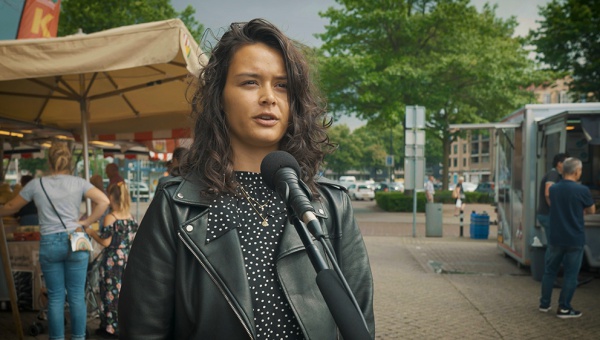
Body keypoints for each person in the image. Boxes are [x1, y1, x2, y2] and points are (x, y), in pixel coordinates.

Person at [119, 19, 375, 339]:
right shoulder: (176, 205)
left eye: (282, 85)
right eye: (250, 82)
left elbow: (359, 322)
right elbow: (143, 330)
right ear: (220, 97)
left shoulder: (331, 205)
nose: (269, 97)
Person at [0, 142, 109, 340]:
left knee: (56, 297)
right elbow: (104, 201)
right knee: (77, 296)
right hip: (76, 240)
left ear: (49, 161)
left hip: (49, 243)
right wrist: (86, 222)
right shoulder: (79, 182)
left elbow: (10, 207)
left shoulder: (37, 184)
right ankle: (78, 338)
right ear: (68, 161)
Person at [539, 157, 595, 318]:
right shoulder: (582, 190)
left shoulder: (554, 189)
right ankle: (564, 308)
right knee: (571, 274)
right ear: (577, 171)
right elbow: (591, 210)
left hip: (556, 236)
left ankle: (544, 303)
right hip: (574, 238)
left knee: (550, 271)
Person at [87, 181, 138, 338]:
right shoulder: (130, 216)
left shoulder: (111, 217)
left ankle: (110, 328)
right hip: (127, 259)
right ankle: (123, 325)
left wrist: (91, 232)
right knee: (124, 294)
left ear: (111, 198)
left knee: (109, 294)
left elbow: (106, 242)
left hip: (113, 261)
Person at [537, 153, 569, 241]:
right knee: (554, 245)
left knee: (554, 244)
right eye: (566, 162)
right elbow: (548, 193)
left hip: (547, 214)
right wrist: (555, 209)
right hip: (548, 214)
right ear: (559, 164)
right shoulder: (553, 174)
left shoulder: (558, 175)